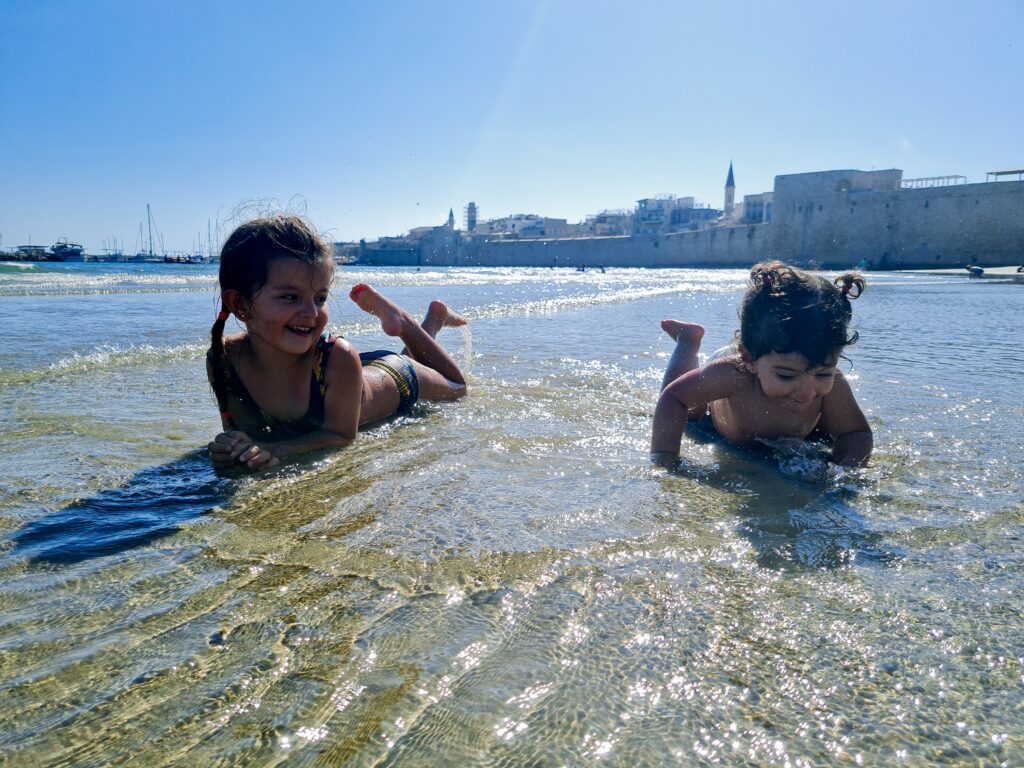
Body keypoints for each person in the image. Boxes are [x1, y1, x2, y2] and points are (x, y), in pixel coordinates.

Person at [206, 216, 467, 471]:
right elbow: (242, 431)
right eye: (289, 296)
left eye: (320, 298)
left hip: (397, 376)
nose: (312, 312)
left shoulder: (338, 356)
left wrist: (275, 450)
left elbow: (340, 436)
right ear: (240, 305)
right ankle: (427, 323)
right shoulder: (225, 358)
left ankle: (417, 322)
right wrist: (233, 447)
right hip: (349, 377)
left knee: (457, 387)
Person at [651, 260, 872, 468]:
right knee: (692, 412)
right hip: (717, 414)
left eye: (823, 374)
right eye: (787, 376)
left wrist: (846, 472)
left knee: (828, 427)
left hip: (779, 411)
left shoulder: (833, 385)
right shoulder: (732, 375)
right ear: (749, 359)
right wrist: (665, 459)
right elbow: (673, 398)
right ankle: (688, 340)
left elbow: (855, 434)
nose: (806, 393)